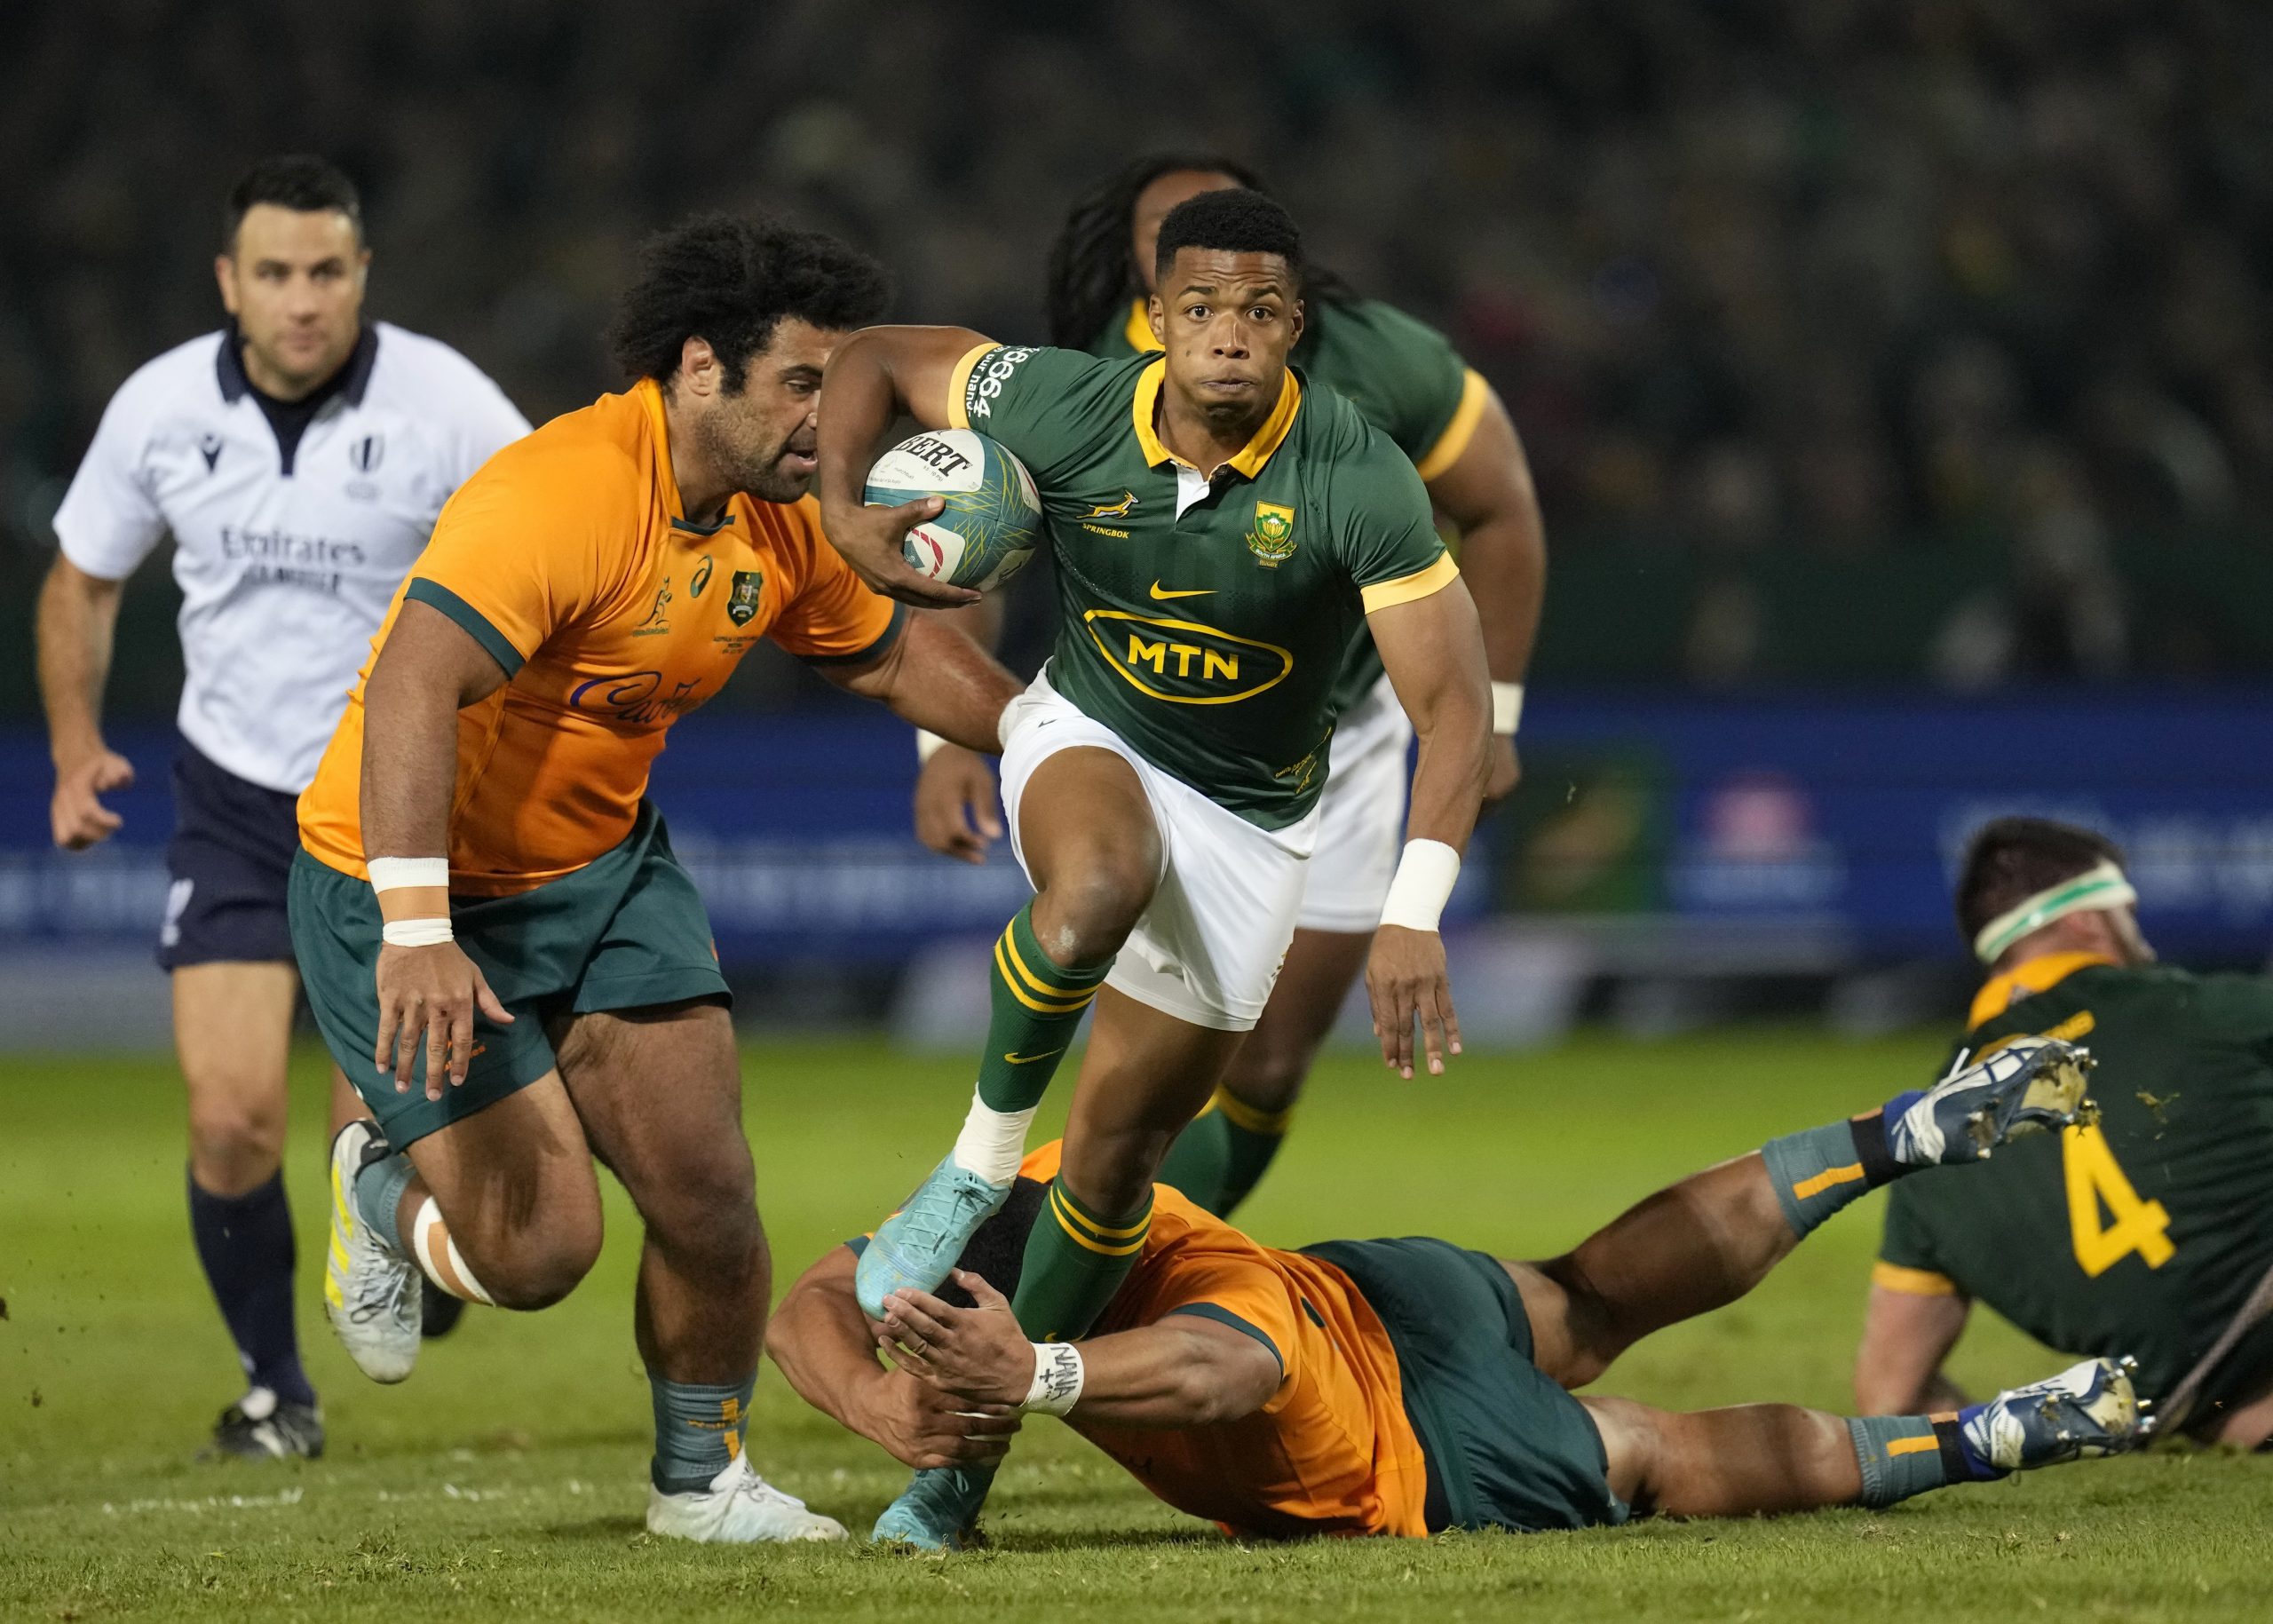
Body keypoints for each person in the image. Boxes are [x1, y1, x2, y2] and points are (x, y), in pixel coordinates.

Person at [290, 213, 1024, 1543]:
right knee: (537, 1255)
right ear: (701, 369)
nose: (829, 417)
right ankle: (376, 1187)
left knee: (708, 1194)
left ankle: (699, 1487)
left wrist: (1056, 742)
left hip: (604, 872)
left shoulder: (786, 512)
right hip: (405, 884)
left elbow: (891, 659)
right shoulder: (561, 491)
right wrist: (412, 925)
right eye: (802, 384)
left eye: (840, 386)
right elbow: (412, 684)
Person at [814, 187, 1493, 1544]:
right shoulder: (1065, 403)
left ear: (1294, 328)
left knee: (1118, 1168)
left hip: (1251, 822)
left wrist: (1413, 912)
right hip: (1085, 731)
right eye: (1198, 309)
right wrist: (840, 512)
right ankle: (969, 1168)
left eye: (1256, 312)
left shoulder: (1356, 476)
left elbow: (1454, 708)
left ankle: (959, 1479)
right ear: (1159, 319)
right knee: (1097, 884)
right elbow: (874, 358)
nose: (1225, 337)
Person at [769, 1038, 2139, 1546]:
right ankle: (1895, 1133)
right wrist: (887, 1412)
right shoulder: (1043, 1186)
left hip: (1419, 1447)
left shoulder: (1172, 1311)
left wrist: (1034, 1378)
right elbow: (806, 1303)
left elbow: (1224, 1372)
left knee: (1651, 1454)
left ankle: (1989, 1435)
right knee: (1591, 1293)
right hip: (1390, 1294)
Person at [915, 154, 1548, 1217]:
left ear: (1290, 302)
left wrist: (1501, 716)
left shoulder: (1382, 364)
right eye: (1182, 265)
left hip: (1336, 749)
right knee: (1118, 1030)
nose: (1224, 312)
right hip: (1135, 728)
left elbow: (1503, 509)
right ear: (1147, 276)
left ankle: (1129, 1260)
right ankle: (1008, 1224)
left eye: (1254, 291)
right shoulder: (1082, 381)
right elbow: (972, 540)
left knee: (1261, 1064)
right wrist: (940, 743)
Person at [34, 154, 528, 1462]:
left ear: (361, 274)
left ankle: (405, 1224)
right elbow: (82, 580)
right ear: (228, 283)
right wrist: (76, 748)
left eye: (325, 272)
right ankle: (274, 1389)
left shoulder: (447, 405)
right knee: (230, 1116)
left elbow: (554, 551)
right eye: (274, 274)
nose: (301, 300)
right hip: (237, 800)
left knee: (371, 1127)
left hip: (395, 812)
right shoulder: (157, 408)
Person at [1856, 816, 2273, 1446]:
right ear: (2090, 920)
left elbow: (1889, 1398)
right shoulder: (2190, 1008)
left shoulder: (1924, 1155)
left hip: (2194, 1404)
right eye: (2127, 911)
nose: (2145, 940)